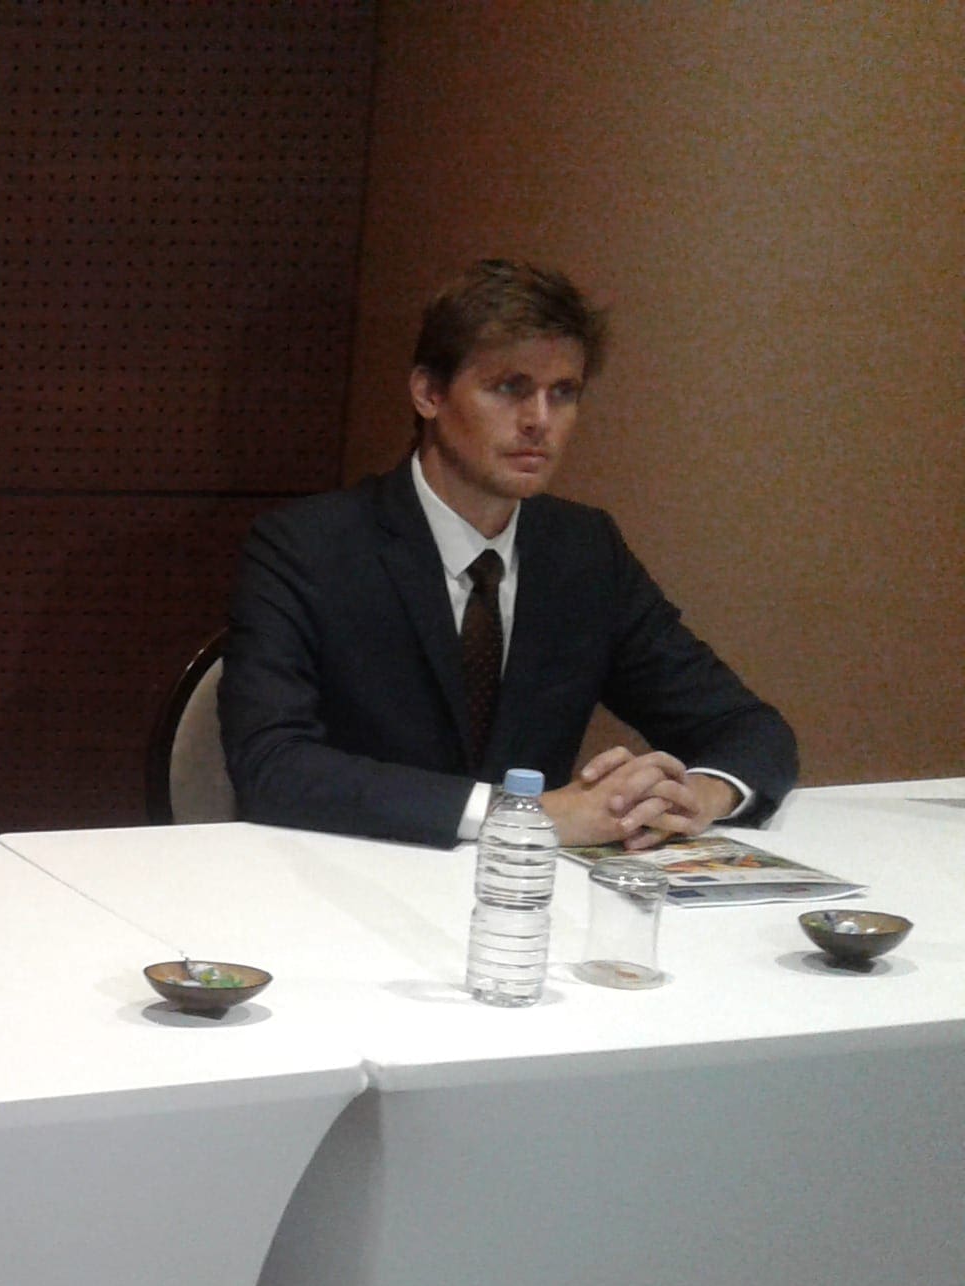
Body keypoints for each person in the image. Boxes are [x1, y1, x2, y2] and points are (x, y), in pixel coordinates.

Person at [221, 259, 796, 849]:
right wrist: (525, 814)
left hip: (530, 891)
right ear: (428, 393)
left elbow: (749, 728)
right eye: (509, 388)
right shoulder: (308, 546)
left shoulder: (584, 551)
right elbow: (271, 765)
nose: (539, 421)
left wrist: (697, 794)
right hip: (351, 875)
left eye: (563, 393)